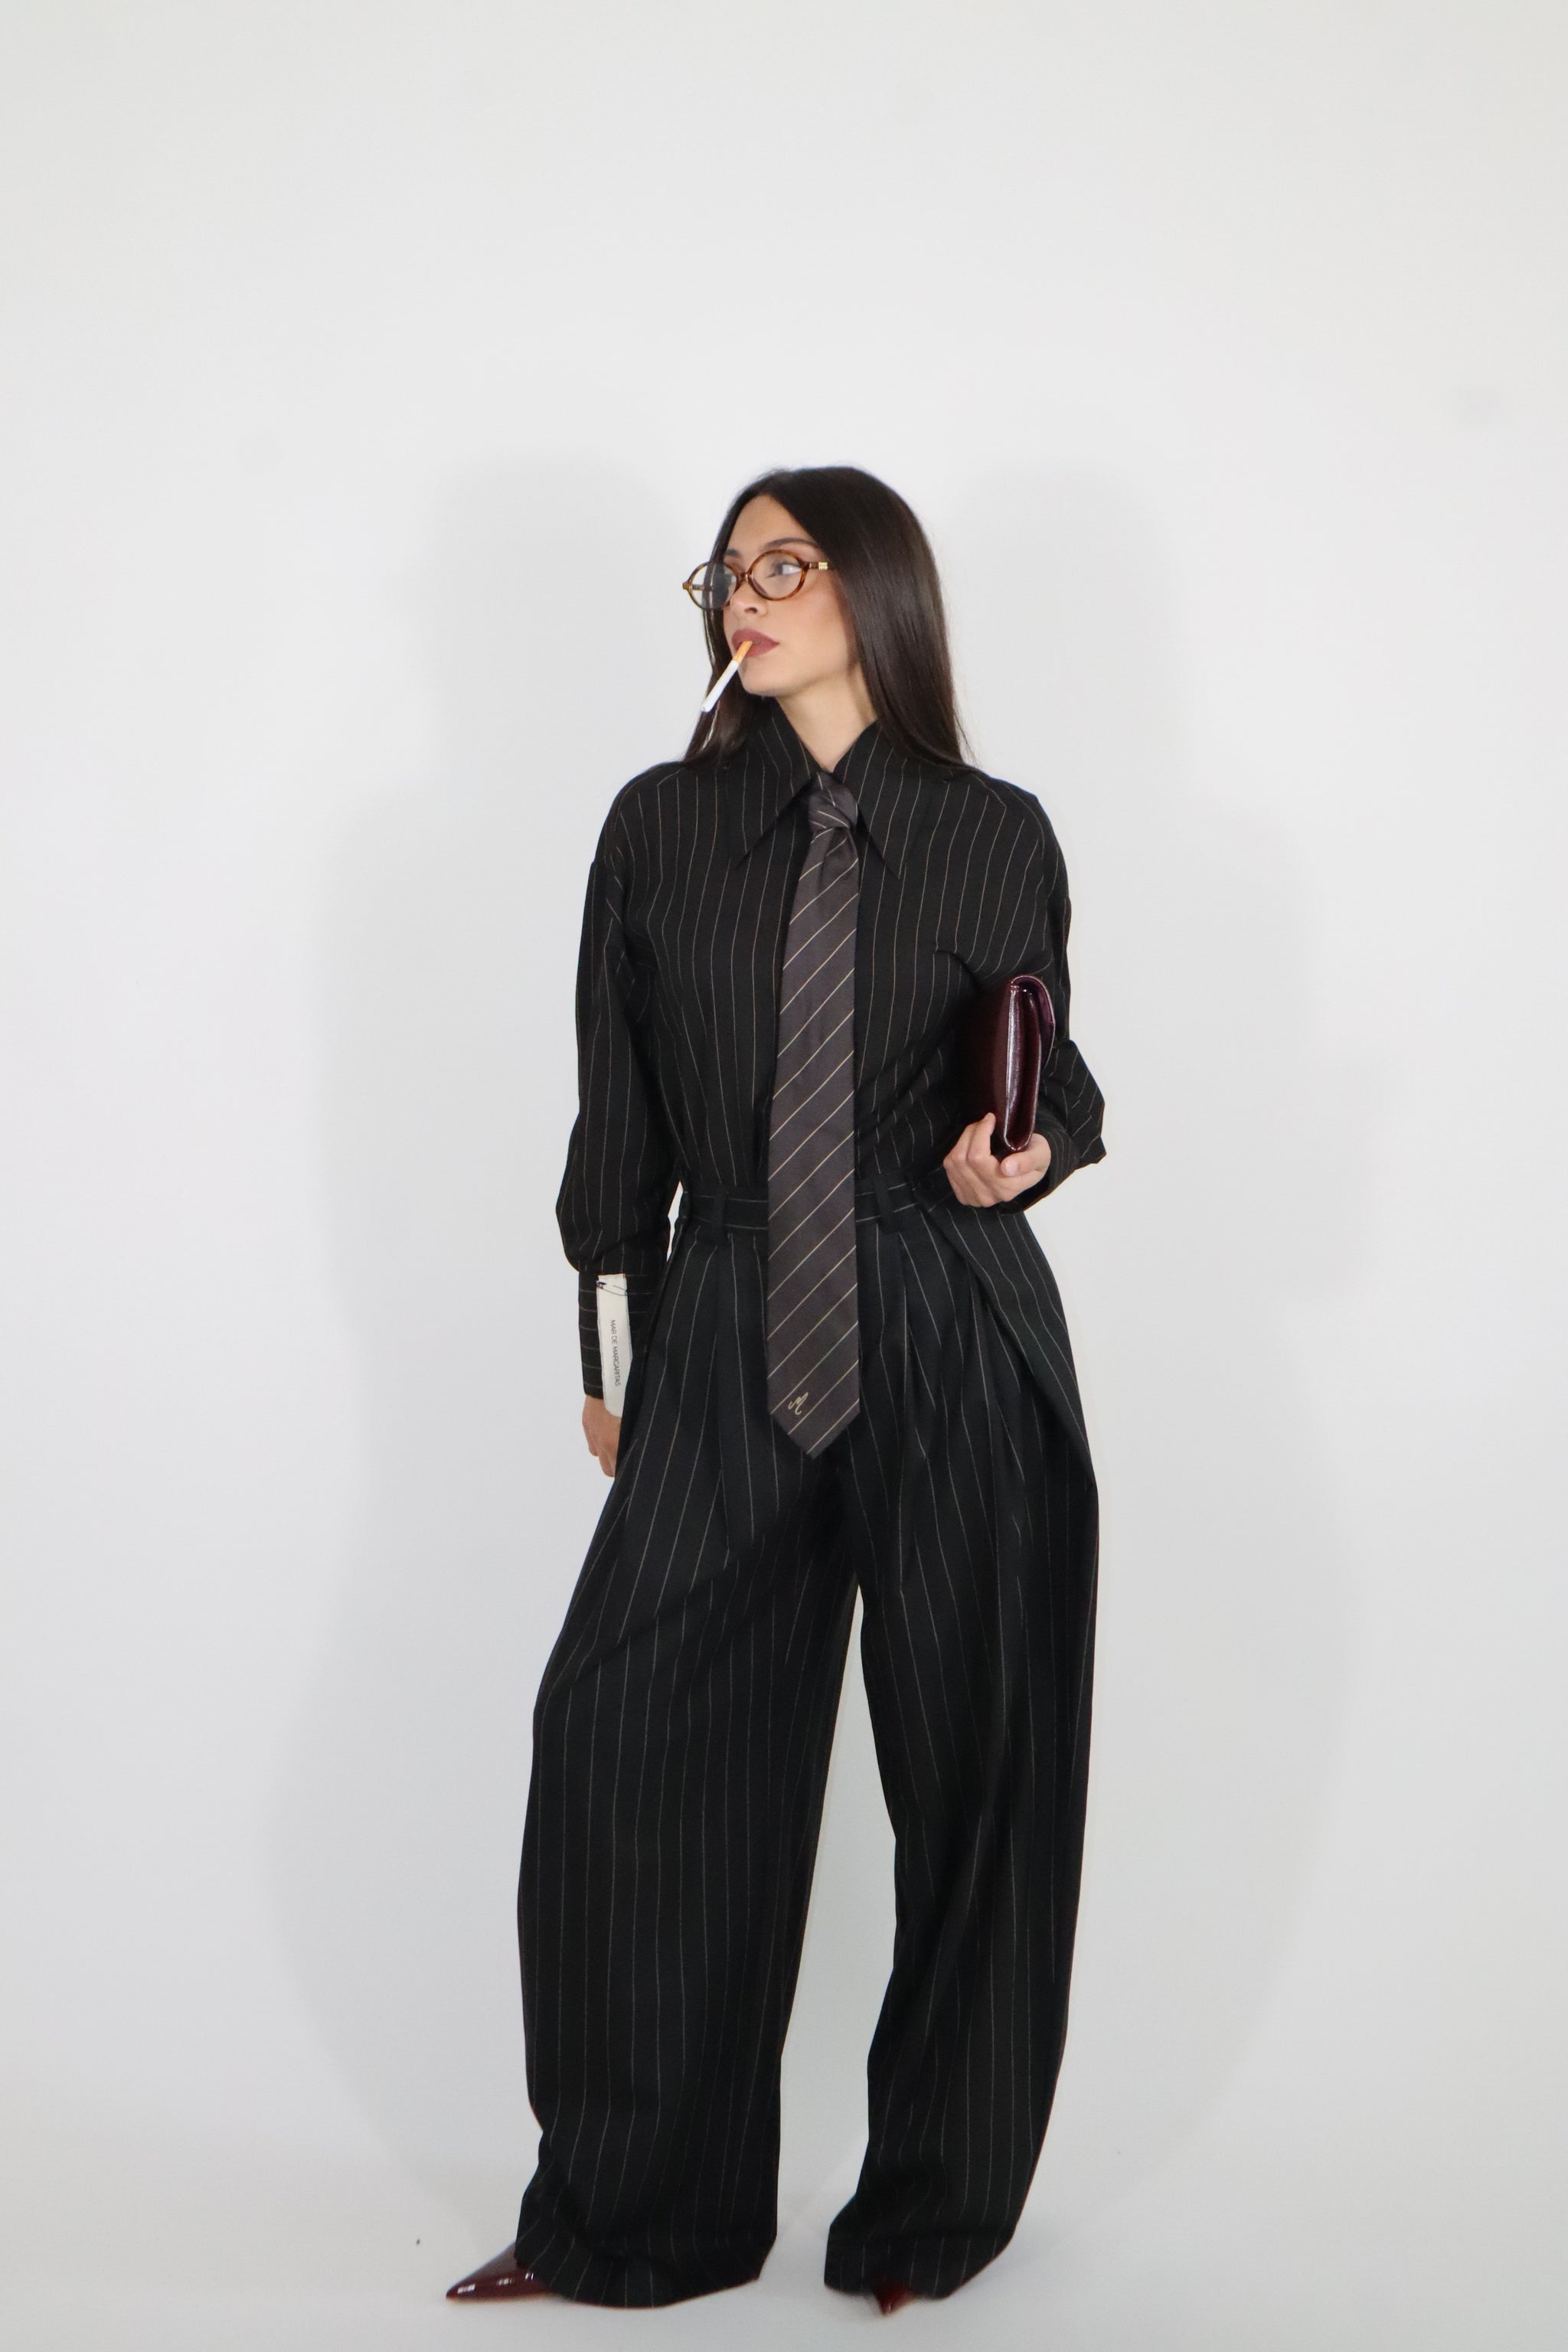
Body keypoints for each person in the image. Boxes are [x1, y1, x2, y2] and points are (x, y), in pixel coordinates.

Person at [448, 466, 1106, 2314]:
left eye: (784, 564)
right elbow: (616, 1124)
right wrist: (615, 1357)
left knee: (983, 1767)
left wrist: (1023, 1150)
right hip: (729, 1315)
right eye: (725, 573)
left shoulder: (989, 831)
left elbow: (1053, 1073)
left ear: (875, 589)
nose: (743, 596)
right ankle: (631, 2217)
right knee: (620, 1738)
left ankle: (929, 2220)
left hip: (949, 1313)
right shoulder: (661, 828)